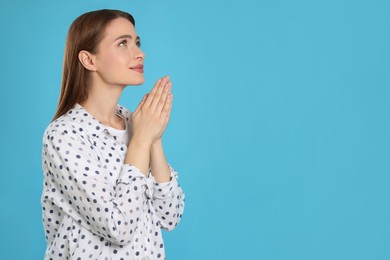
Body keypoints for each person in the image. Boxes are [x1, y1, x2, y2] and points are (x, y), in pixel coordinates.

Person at [41, 9, 185, 259]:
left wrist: (154, 137)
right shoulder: (65, 135)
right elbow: (117, 227)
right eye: (123, 43)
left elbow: (169, 215)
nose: (140, 53)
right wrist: (141, 140)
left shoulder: (135, 122)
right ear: (89, 60)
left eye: (137, 42)